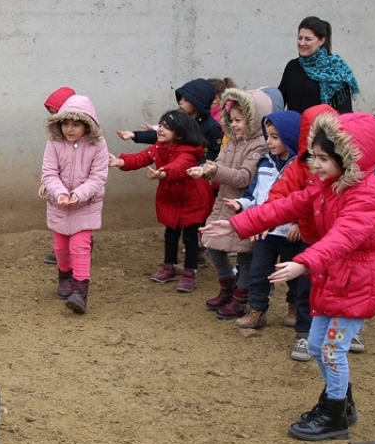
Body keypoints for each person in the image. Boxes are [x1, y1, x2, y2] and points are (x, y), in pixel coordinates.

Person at [202, 111, 375, 441]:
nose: (314, 165)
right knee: (319, 345)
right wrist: (239, 223)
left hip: (357, 280)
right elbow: (287, 206)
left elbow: (344, 236)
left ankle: (334, 414)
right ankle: (341, 403)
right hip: (333, 274)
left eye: (322, 158)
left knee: (331, 349)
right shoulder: (326, 185)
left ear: (347, 158)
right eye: (313, 156)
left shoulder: (366, 195)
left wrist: (304, 262)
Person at [109, 109, 214, 292]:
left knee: (190, 237)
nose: (161, 129)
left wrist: (163, 173)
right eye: (162, 124)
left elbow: (179, 167)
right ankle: (169, 266)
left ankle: (190, 272)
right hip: (171, 198)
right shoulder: (158, 147)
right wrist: (120, 162)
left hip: (192, 199)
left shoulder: (188, 152)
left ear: (180, 134)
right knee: (170, 234)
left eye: (168, 127)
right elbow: (142, 157)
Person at [191, 88, 272, 318]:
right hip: (223, 205)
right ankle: (228, 286)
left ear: (254, 119)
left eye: (239, 120)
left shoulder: (258, 146)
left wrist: (216, 171)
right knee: (213, 245)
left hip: (244, 207)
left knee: (245, 255)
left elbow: (245, 177)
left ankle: (241, 297)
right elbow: (219, 163)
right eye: (231, 120)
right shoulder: (232, 142)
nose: (234, 125)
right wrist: (205, 171)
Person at [265, 103, 336, 360]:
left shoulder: (353, 172)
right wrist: (262, 219)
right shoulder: (299, 166)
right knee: (307, 288)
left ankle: (344, 331)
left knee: (342, 287)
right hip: (311, 238)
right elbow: (280, 196)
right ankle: (303, 334)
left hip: (342, 244)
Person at [231, 109, 302, 329]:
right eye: (268, 136)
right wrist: (241, 205)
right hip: (264, 231)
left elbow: (307, 199)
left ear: (290, 137)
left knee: (293, 275)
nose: (269, 142)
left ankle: (295, 308)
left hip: (290, 233)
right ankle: (258, 311)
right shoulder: (263, 164)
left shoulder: (301, 167)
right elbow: (253, 195)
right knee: (258, 271)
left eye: (275, 137)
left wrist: (299, 223)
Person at [41, 93, 109, 314]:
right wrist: (60, 193)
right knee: (61, 247)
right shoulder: (54, 143)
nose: (70, 129)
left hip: (85, 205)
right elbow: (49, 173)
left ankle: (80, 291)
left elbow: (98, 177)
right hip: (59, 204)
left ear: (87, 125)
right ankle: (65, 277)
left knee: (80, 247)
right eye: (66, 124)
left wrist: (78, 195)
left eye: (76, 124)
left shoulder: (98, 144)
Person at [116, 78, 224, 163]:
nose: (180, 102)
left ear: (199, 102)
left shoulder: (212, 127)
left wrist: (199, 167)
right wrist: (134, 135)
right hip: (174, 171)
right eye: (181, 98)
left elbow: (214, 153)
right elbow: (162, 136)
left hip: (197, 177)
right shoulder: (179, 119)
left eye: (186, 100)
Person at [277, 16, 360, 114]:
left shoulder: (336, 69)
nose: (302, 43)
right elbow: (280, 100)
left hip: (322, 128)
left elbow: (344, 111)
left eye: (308, 39)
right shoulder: (292, 66)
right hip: (293, 128)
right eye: (300, 38)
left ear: (321, 41)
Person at [41, 86, 77, 266]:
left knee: (80, 218)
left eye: (57, 112)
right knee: (60, 217)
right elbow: (50, 166)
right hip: (59, 185)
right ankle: (62, 250)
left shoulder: (88, 139)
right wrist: (46, 182)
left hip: (79, 185)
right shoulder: (55, 139)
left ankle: (80, 249)